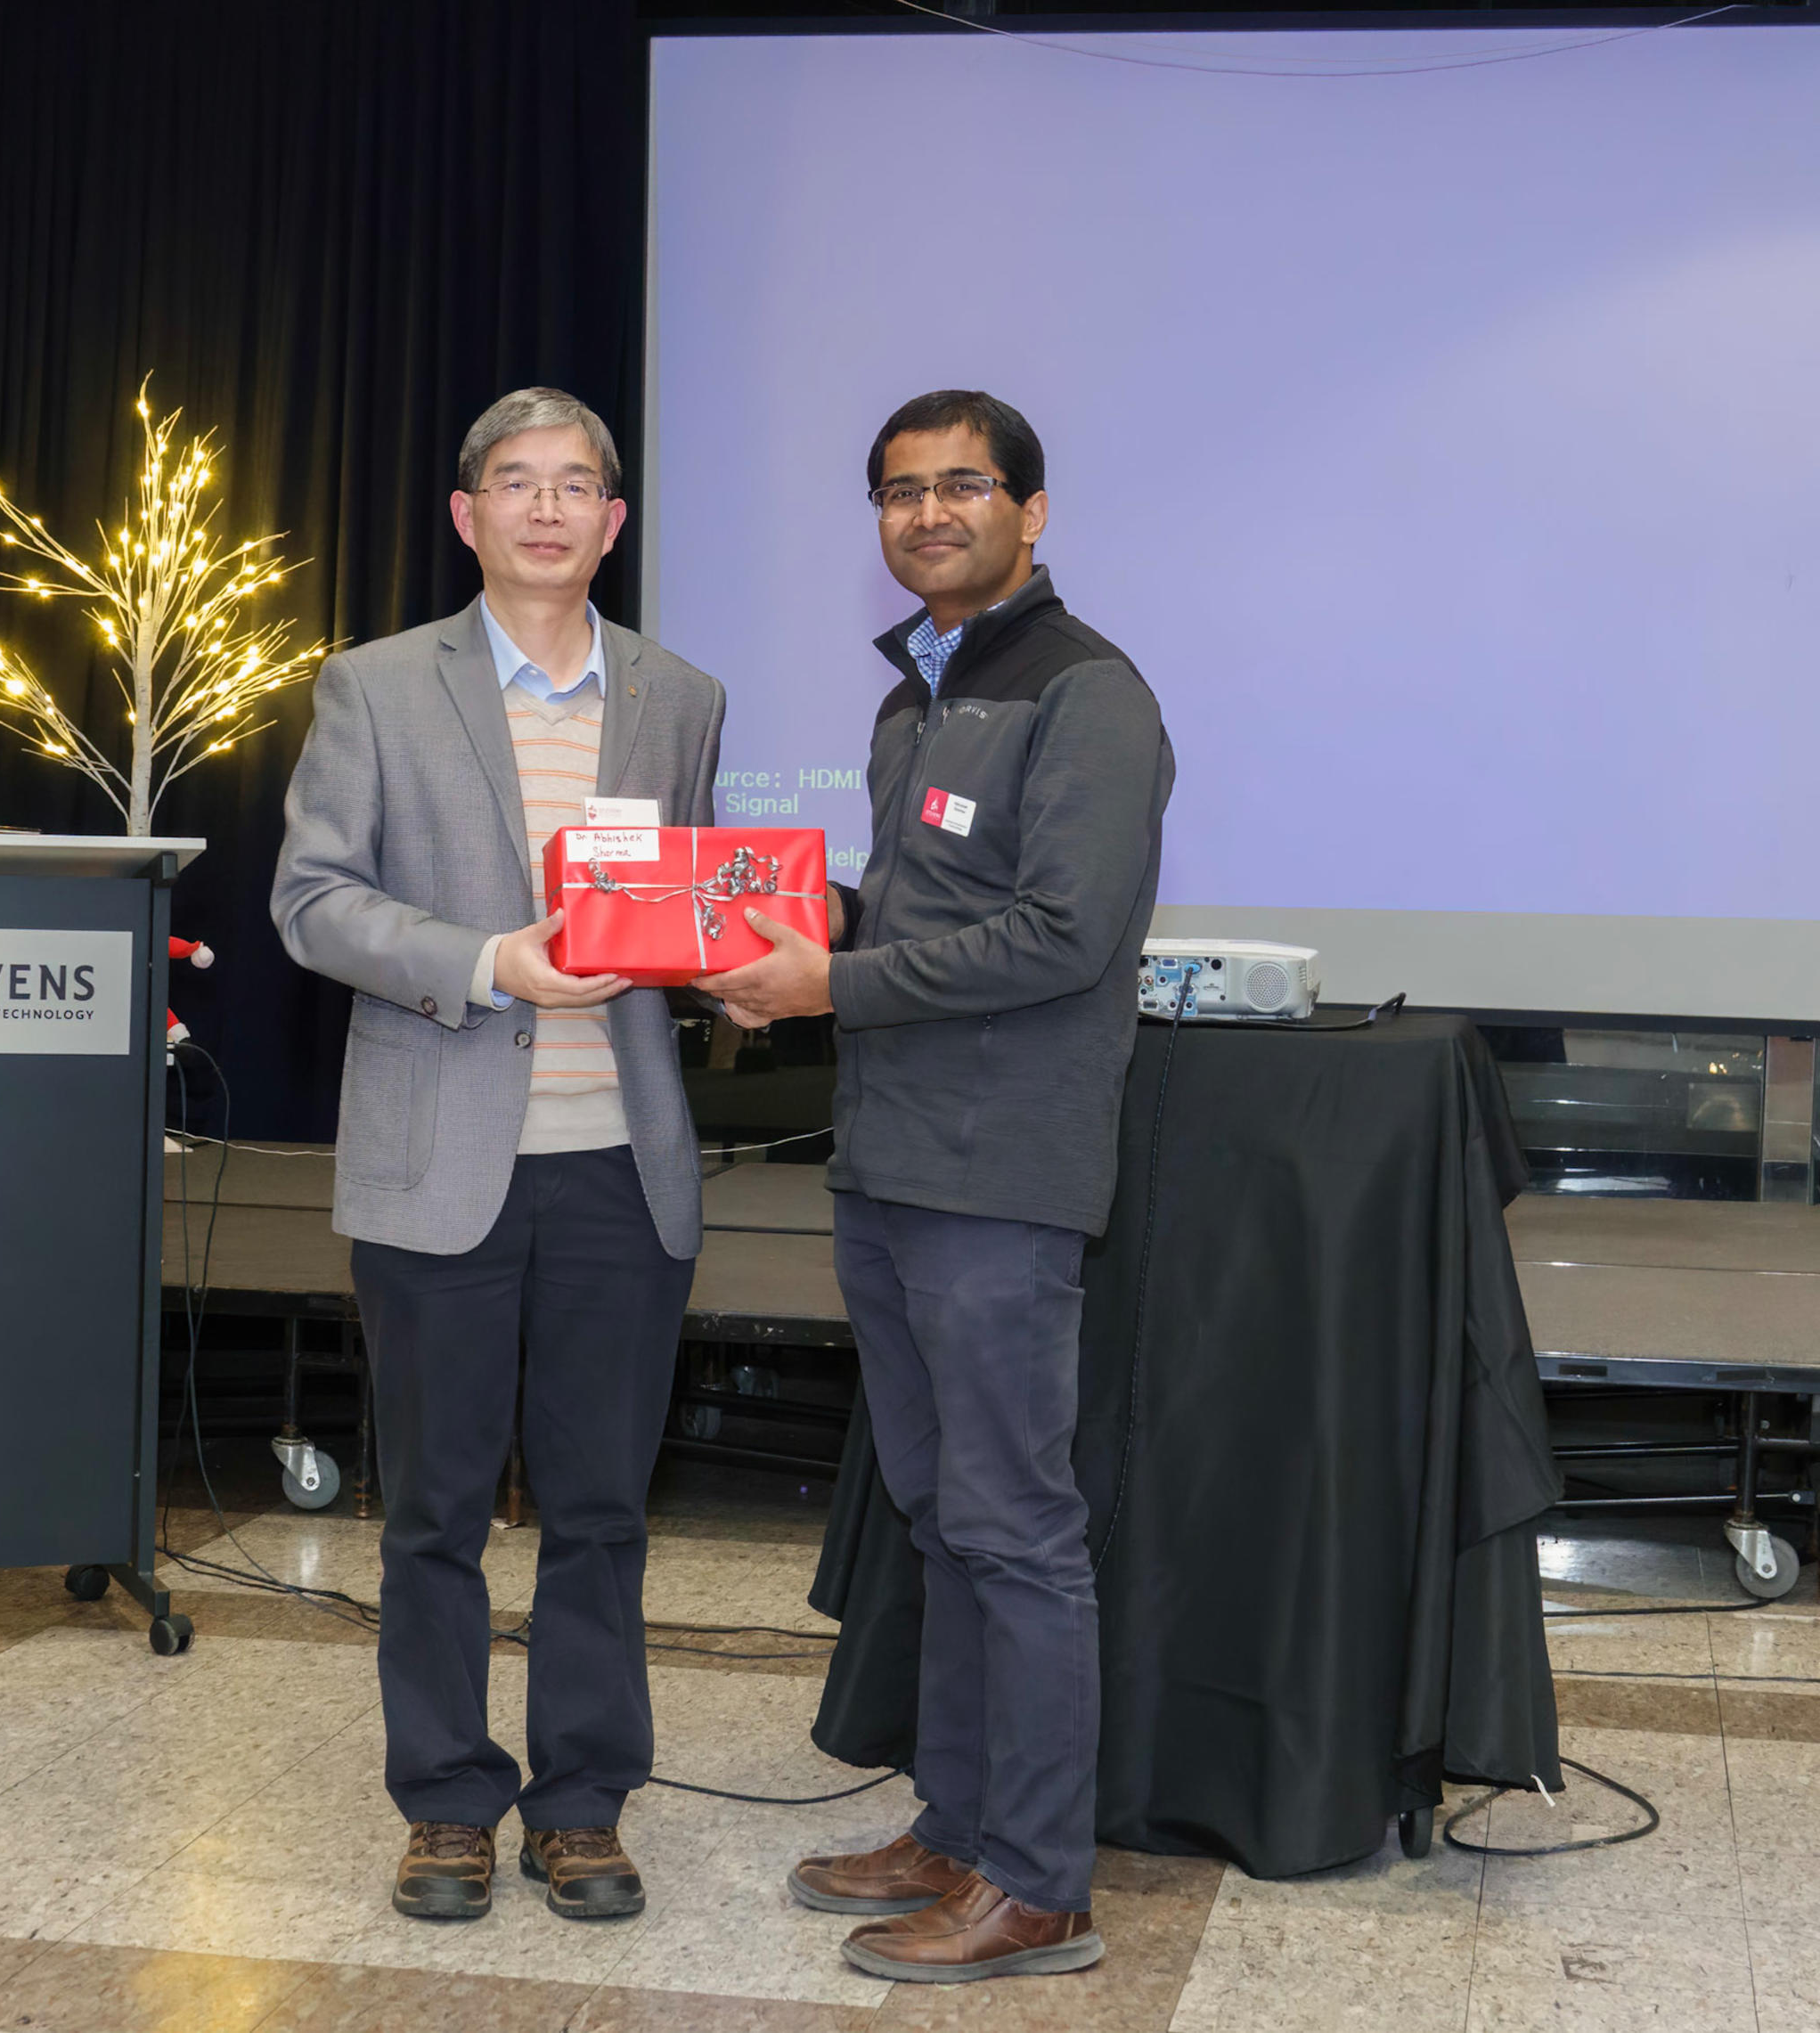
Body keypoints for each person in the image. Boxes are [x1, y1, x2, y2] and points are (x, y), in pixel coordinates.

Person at [697, 389, 1174, 1984]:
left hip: (999, 1174)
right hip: (889, 1163)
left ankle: (1037, 1883)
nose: (928, 513)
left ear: (1032, 512)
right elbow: (921, 913)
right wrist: (784, 920)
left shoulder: (1089, 693)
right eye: (900, 492)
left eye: (964, 485)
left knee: (1017, 1528)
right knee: (943, 1513)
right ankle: (960, 1824)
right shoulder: (913, 700)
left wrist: (828, 980)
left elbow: (1062, 935)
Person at [272, 387, 723, 1924]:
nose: (546, 508)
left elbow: (685, 903)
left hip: (624, 1164)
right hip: (439, 1162)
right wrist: (487, 961)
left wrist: (737, 953)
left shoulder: (681, 696)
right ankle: (449, 1803)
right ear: (469, 516)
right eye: (516, 483)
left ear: (612, 519)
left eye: (575, 484)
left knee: (601, 1509)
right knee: (435, 1513)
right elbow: (312, 900)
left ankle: (583, 1803)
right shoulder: (376, 686)